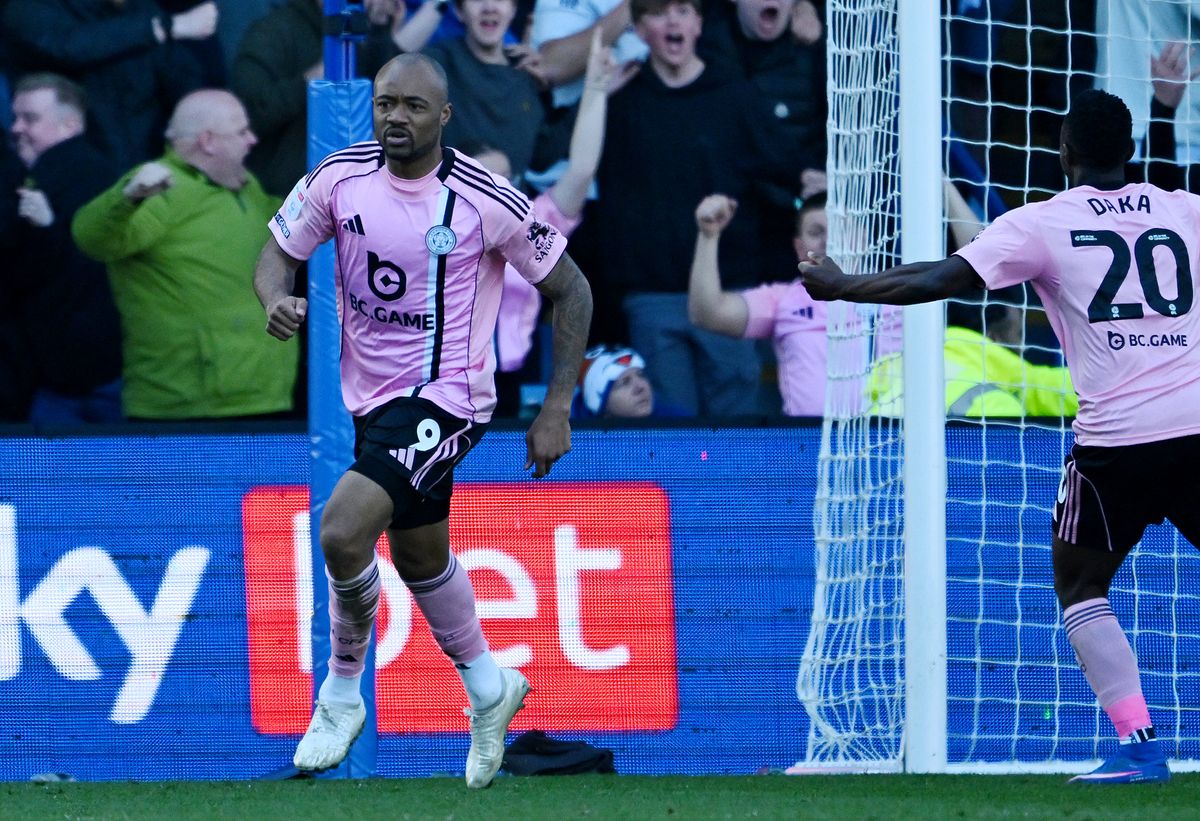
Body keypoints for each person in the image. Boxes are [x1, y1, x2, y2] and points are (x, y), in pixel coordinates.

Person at [798, 89, 1199, 784]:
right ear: (1130, 151)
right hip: (1195, 427)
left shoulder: (1042, 223)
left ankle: (1140, 747)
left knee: (1081, 584)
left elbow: (939, 277)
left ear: (1064, 153)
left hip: (1116, 444)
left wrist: (844, 285)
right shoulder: (1187, 211)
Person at [253, 53, 593, 787]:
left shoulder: (483, 198)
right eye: (385, 104)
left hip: (449, 398)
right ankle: (489, 688)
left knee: (342, 530)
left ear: (444, 116)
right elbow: (276, 253)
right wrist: (275, 297)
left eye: (413, 106)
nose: (396, 118)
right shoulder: (337, 177)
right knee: (419, 558)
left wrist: (556, 405)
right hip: (371, 400)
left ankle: (342, 693)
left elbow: (573, 289)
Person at [594, 0, 800, 416]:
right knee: (670, 433)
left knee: (737, 432)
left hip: (728, 291)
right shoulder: (621, 97)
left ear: (699, 25)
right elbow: (561, 159)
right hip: (652, 296)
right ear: (639, 30)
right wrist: (596, 94)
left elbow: (790, 171)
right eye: (659, 13)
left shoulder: (736, 95)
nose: (673, 20)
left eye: (684, 10)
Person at [73, 89, 298, 421]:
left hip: (265, 397)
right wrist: (128, 197)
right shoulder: (161, 188)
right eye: (241, 132)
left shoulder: (245, 185)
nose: (252, 140)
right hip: (189, 411)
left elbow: (287, 225)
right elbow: (93, 238)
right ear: (207, 141)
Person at [6, 73, 123, 424]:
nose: (16, 128)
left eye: (30, 118)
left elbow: (27, 272)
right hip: (102, 359)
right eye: (15, 117)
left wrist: (45, 229)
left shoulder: (48, 180)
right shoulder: (109, 172)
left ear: (70, 124)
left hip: (61, 368)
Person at [3, 0, 218, 170]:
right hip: (70, 170)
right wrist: (165, 27)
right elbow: (69, 47)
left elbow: (180, 76)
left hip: (146, 158)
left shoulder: (137, 9)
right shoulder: (25, 8)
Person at [573, 344, 686, 418]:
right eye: (624, 382)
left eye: (641, 375)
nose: (640, 387)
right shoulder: (577, 443)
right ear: (601, 404)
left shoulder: (678, 428)